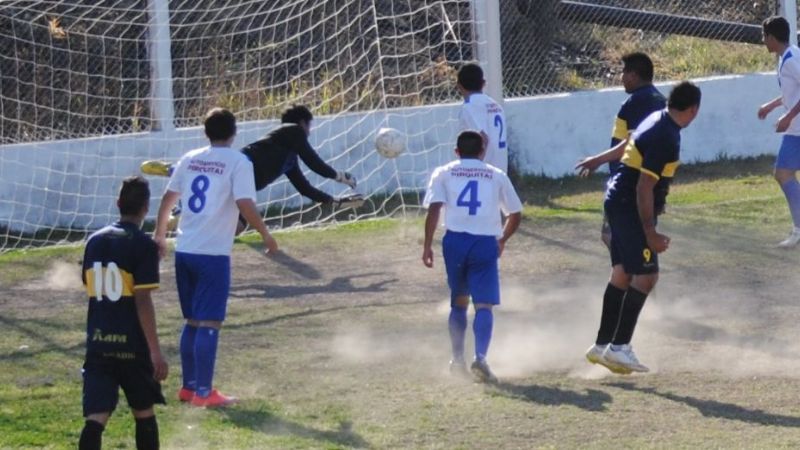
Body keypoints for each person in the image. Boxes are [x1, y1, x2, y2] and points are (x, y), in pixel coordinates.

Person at [154, 107, 278, 407]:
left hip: (185, 250)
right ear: (234, 133)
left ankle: (189, 387)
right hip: (212, 255)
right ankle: (204, 393)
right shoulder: (238, 161)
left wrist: (159, 234)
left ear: (205, 132)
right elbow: (244, 201)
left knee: (193, 321)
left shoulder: (190, 158)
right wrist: (265, 233)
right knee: (210, 322)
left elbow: (169, 198)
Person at [584, 82, 701, 374]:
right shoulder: (667, 136)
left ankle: (602, 346)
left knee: (623, 273)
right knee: (647, 276)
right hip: (629, 206)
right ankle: (619, 348)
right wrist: (649, 231)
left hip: (617, 200)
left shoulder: (656, 116)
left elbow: (630, 141)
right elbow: (644, 186)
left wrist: (599, 159)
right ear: (693, 110)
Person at [141, 105, 361, 232]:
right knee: (213, 183)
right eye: (309, 126)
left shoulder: (289, 158)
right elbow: (315, 163)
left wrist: (334, 201)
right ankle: (174, 171)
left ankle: (180, 212)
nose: (309, 132)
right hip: (234, 168)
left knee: (237, 227)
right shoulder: (292, 131)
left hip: (239, 188)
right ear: (302, 123)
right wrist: (341, 177)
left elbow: (305, 189)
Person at [422, 130, 522, 383]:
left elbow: (434, 209)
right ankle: (480, 357)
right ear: (482, 152)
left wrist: (427, 245)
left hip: (455, 241)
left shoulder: (443, 172)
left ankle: (457, 360)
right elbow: (515, 213)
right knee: (484, 304)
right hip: (484, 243)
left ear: (456, 152)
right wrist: (502, 239)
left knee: (459, 301)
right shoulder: (496, 175)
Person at [79, 175, 167, 450]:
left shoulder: (94, 241)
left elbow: (88, 283)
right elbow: (142, 300)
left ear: (118, 203)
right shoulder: (143, 245)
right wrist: (155, 351)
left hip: (98, 343)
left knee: (96, 417)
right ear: (146, 207)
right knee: (143, 412)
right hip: (132, 345)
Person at [575, 52, 666, 247]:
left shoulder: (640, 100)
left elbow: (632, 142)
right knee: (622, 237)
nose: (621, 78)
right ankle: (634, 273)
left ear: (633, 75)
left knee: (617, 237)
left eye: (624, 72)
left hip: (630, 182)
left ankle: (634, 275)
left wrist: (598, 160)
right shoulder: (656, 99)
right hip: (642, 181)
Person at [758, 16, 800, 247]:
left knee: (783, 174)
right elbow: (792, 92)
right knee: (783, 174)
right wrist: (771, 106)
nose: (763, 41)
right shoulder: (789, 55)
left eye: (764, 37)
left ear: (772, 38)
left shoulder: (791, 59)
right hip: (796, 129)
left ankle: (798, 229)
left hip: (797, 130)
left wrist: (788, 117)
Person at [457, 63, 509, 174]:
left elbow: (483, 138)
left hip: (484, 171)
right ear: (483, 83)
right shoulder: (495, 105)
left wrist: (474, 168)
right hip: (501, 167)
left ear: (459, 86)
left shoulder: (469, 107)